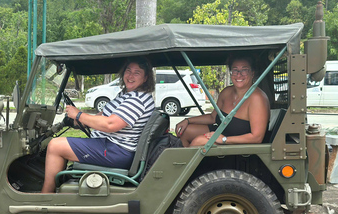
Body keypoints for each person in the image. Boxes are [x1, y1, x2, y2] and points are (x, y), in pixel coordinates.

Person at [41, 57, 156, 193]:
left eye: (137, 73)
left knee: (55, 146)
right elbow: (103, 116)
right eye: (128, 70)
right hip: (111, 146)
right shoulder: (128, 94)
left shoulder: (137, 100)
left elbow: (110, 124)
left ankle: (45, 196)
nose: (130, 76)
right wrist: (81, 120)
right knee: (61, 144)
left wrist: (79, 115)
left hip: (116, 151)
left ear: (145, 78)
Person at [175, 55, 270, 147]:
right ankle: (182, 161)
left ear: (252, 73)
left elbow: (257, 138)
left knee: (199, 141)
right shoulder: (227, 92)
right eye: (235, 70)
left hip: (241, 146)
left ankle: (194, 162)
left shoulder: (257, 98)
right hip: (223, 133)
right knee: (185, 131)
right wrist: (187, 120)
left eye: (244, 70)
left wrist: (224, 140)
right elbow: (212, 117)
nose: (239, 74)